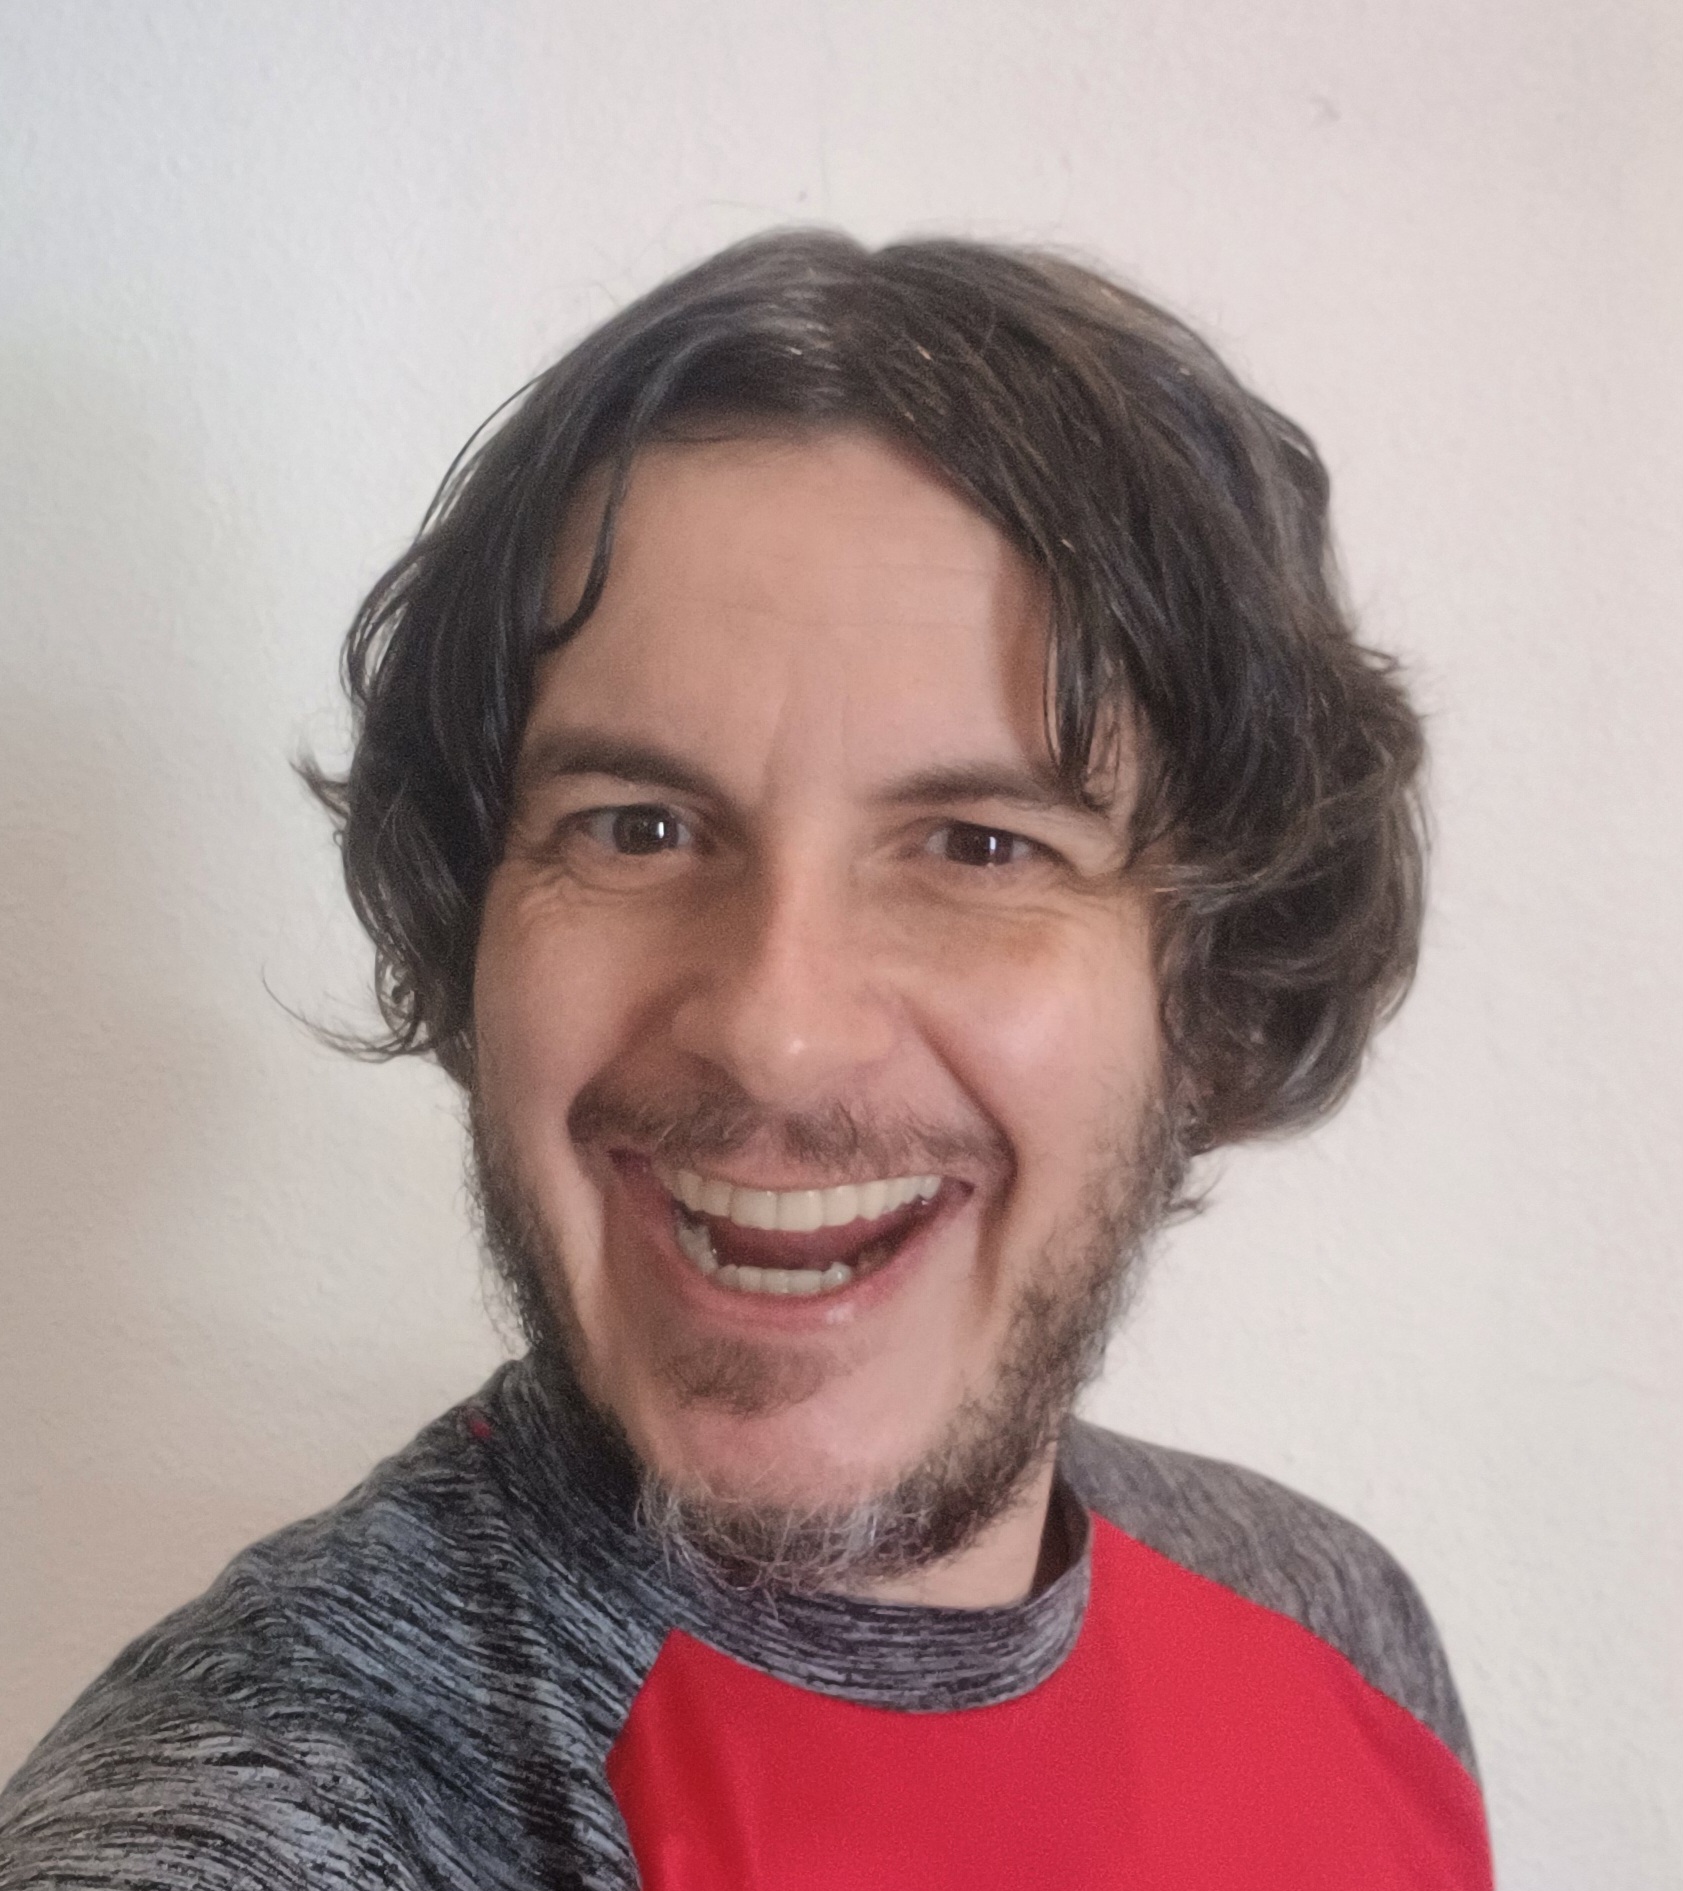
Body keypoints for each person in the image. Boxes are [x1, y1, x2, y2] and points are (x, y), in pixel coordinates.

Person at [0, 230, 1494, 1888]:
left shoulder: (1341, 1625)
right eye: (635, 827)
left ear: (1215, 990)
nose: (776, 1034)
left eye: (979, 846)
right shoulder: (253, 1829)